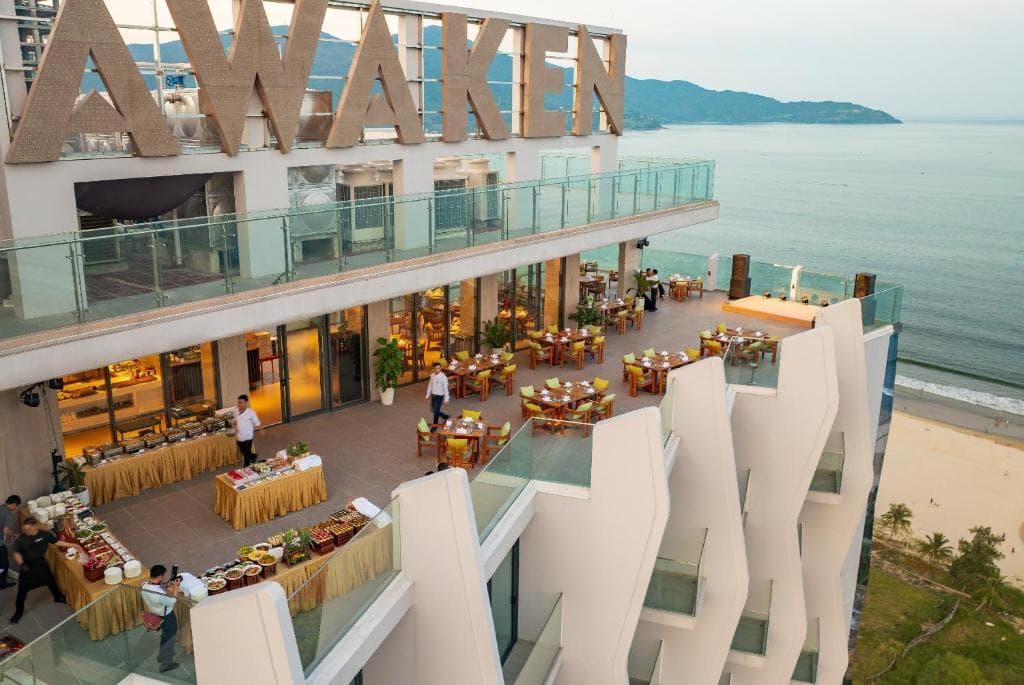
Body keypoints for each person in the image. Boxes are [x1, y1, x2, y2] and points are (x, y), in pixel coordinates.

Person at [9, 516, 75, 624]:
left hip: (41, 563)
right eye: (24, 529)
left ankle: (58, 597)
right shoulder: (21, 539)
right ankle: (18, 613)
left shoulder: (44, 534)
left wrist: (73, 545)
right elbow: (16, 553)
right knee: (22, 592)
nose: (26, 531)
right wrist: (21, 564)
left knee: (51, 581)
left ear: (35, 527)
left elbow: (57, 542)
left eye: (28, 529)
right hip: (27, 567)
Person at [142, 565, 180, 674]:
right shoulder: (159, 594)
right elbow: (172, 601)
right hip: (167, 617)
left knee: (165, 636)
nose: (163, 578)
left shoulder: (144, 585)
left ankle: (162, 656)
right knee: (169, 639)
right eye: (163, 576)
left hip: (156, 614)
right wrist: (176, 587)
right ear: (159, 577)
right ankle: (166, 664)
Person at [233, 394, 262, 467]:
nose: (239, 404)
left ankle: (246, 467)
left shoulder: (251, 412)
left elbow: (257, 422)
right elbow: (235, 420)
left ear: (246, 403)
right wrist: (234, 426)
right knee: (243, 451)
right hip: (239, 436)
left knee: (246, 454)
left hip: (248, 436)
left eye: (241, 402)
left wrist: (261, 430)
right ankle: (253, 456)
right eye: (238, 402)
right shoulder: (235, 410)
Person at [0, 495, 21, 589]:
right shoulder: (8, 514)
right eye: (16, 506)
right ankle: (2, 583)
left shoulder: (1, 507)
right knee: (4, 564)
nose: (15, 508)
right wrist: (15, 535)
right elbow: (6, 531)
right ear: (14, 504)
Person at [424, 362, 450, 430]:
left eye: (438, 368)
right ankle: (445, 416)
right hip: (433, 396)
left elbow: (445, 389)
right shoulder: (432, 376)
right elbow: (430, 385)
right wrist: (427, 395)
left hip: (439, 397)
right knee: (433, 410)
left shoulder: (443, 377)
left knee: (435, 412)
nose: (437, 370)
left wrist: (446, 399)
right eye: (435, 368)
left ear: (440, 368)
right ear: (433, 369)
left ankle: (434, 426)